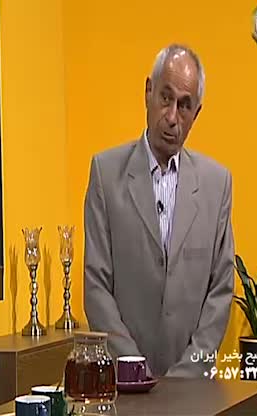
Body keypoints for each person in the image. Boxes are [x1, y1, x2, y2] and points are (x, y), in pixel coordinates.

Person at [83, 44, 234, 378]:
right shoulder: (106, 174)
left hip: (194, 391)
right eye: (166, 98)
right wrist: (135, 369)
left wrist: (186, 375)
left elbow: (221, 291)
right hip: (125, 387)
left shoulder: (216, 184)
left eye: (185, 106)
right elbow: (96, 287)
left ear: (196, 113)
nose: (172, 117)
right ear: (148, 92)